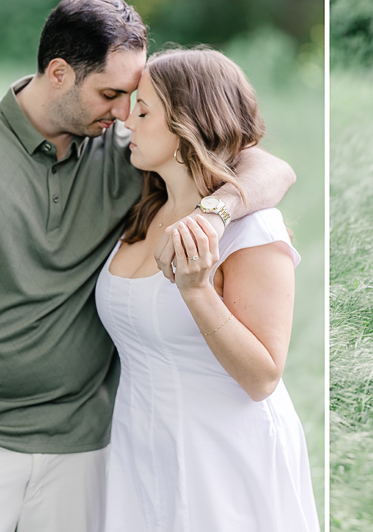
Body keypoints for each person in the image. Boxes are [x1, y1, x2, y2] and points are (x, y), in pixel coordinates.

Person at [0, 0, 296, 531]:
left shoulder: (127, 154)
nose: (123, 113)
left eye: (134, 99)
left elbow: (267, 167)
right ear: (58, 73)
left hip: (84, 447)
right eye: (110, 93)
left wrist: (216, 213)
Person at [95, 47, 319, 531]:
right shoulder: (145, 209)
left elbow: (262, 378)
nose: (127, 122)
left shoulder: (253, 229)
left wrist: (197, 291)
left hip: (224, 462)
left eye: (143, 111)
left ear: (186, 126)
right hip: (141, 454)